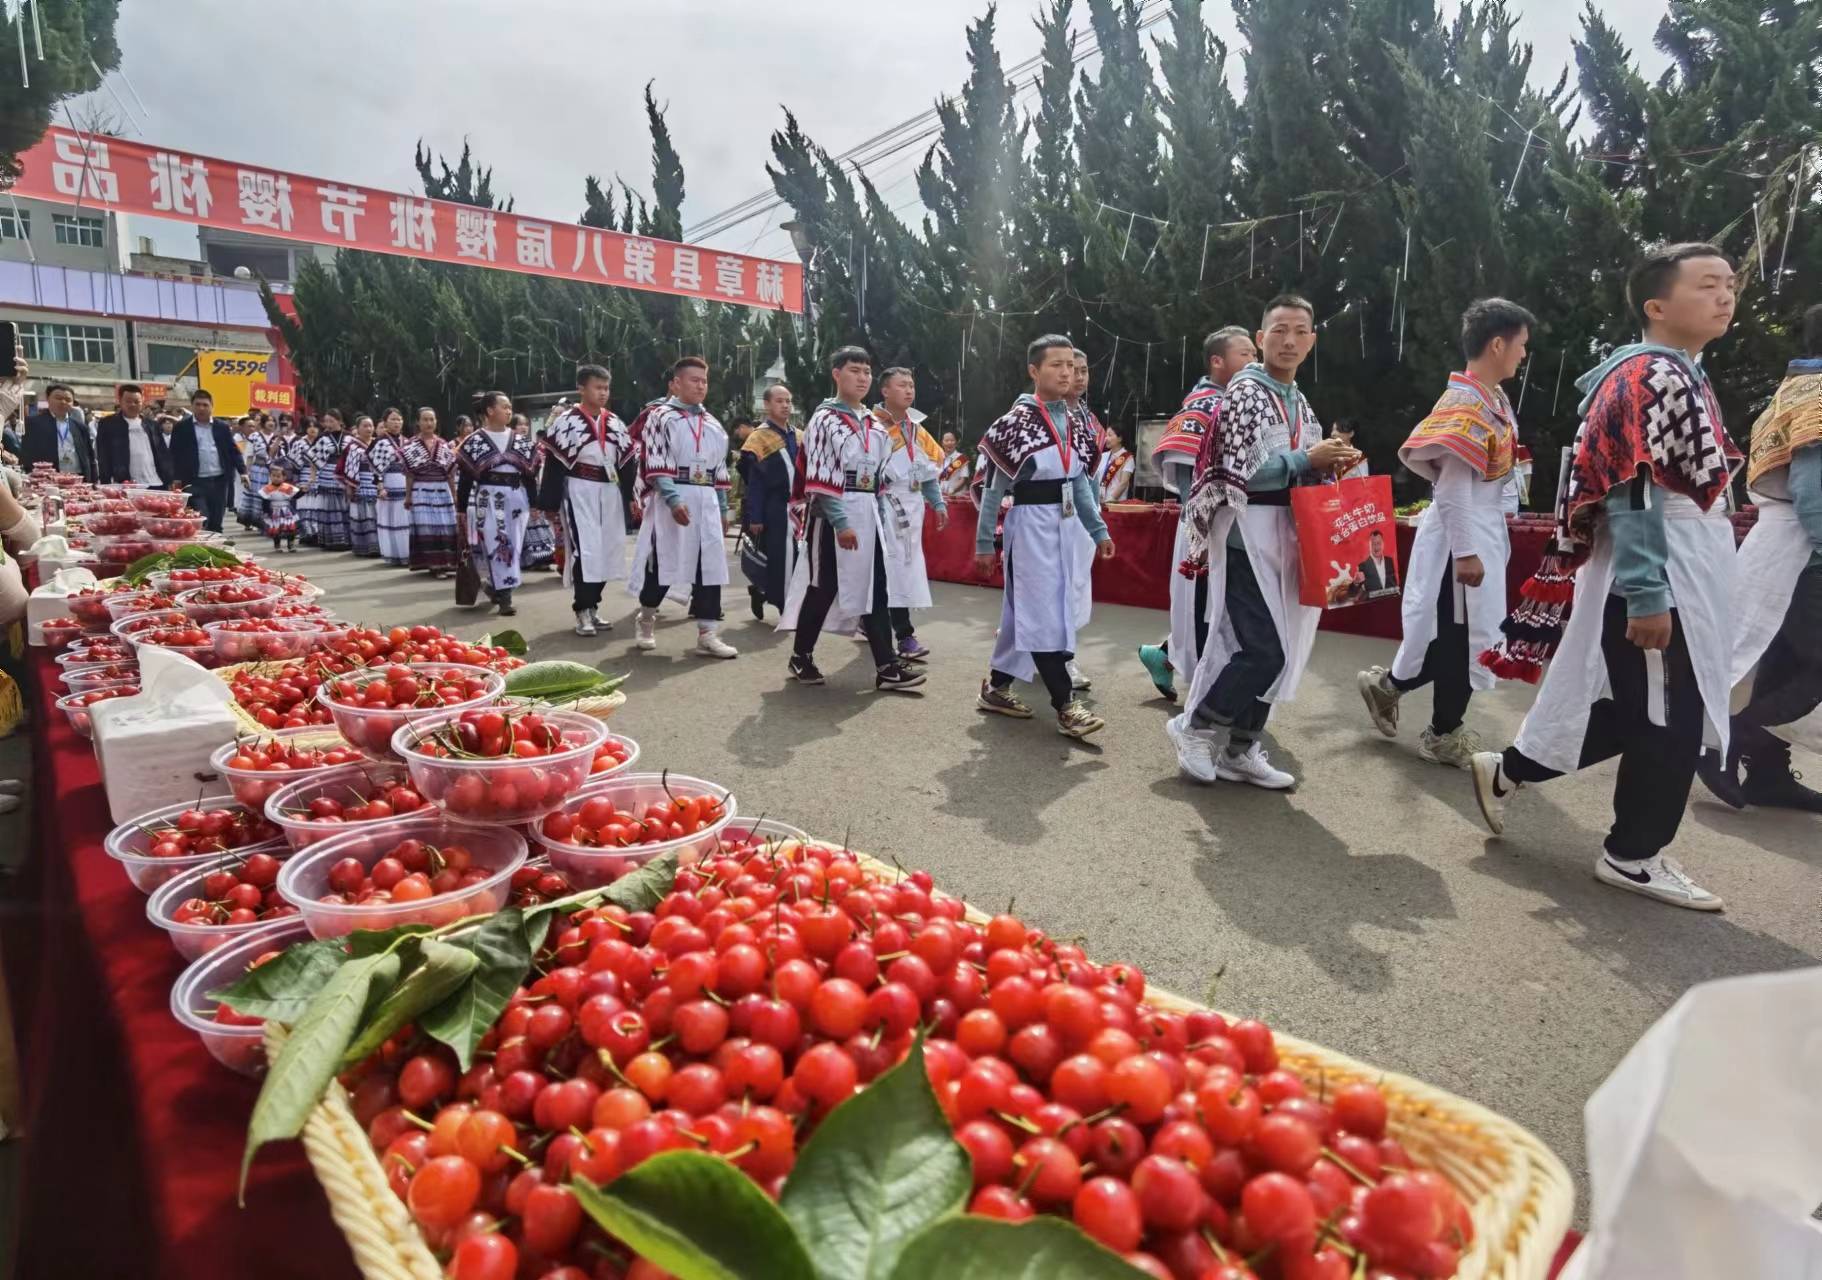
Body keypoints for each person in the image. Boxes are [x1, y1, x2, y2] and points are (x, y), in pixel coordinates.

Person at [1472, 243, 1742, 911]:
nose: (1724, 295)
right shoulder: (1652, 375)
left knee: (1637, 711)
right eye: (1707, 284)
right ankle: (1632, 854)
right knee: (1668, 714)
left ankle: (1509, 770)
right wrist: (1649, 594)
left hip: (1679, 561)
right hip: (1658, 568)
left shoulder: (1681, 372)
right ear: (1657, 305)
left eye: (1729, 284)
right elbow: (1634, 487)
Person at [1168, 296, 1360, 787]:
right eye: (1279, 330)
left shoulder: (1299, 400)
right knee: (1265, 649)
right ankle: (1196, 725)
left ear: (1313, 340)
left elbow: (1300, 467)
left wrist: (1329, 463)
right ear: (1260, 338)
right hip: (1245, 537)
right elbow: (1238, 475)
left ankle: (1242, 747)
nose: (1289, 340)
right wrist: (1305, 461)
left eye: (1300, 330)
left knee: (1284, 647)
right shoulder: (1246, 392)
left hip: (1288, 537)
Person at [1358, 299, 1532, 767]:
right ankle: (1441, 730)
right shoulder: (1467, 403)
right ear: (1497, 343)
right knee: (1461, 637)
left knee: (1468, 635)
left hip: (1481, 529)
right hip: (1463, 533)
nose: (1522, 354)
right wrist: (1467, 552)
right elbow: (1453, 488)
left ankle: (1393, 689)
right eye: (1520, 345)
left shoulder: (1493, 399)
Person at [1697, 301, 1822, 812]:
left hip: (1788, 545)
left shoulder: (1798, 388)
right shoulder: (1817, 397)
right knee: (1800, 662)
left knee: (1778, 659)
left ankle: (1766, 769)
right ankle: (1729, 734)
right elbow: (1813, 490)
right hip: (1806, 549)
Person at [974, 335, 1115, 735]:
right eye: (1057, 365)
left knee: (1029, 612)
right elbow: (992, 490)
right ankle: (1066, 705)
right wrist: (986, 542)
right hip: (1031, 524)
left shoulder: (1075, 422)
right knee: (1043, 613)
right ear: (1034, 371)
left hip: (1066, 523)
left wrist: (1098, 529)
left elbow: (1081, 484)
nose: (1067, 372)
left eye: (1071, 364)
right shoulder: (1013, 424)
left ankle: (997, 689)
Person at [782, 347, 924, 690]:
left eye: (866, 372)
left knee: (874, 588)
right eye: (854, 370)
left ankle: (887, 667)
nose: (862, 378)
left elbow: (882, 471)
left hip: (868, 512)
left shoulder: (874, 423)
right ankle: (801, 656)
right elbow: (819, 475)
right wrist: (841, 522)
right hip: (834, 513)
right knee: (824, 587)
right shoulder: (824, 419)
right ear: (836, 374)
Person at [1138, 327, 1256, 702]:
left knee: (1225, 611)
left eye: (1255, 354)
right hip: (1208, 527)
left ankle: (1165, 657)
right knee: (1206, 609)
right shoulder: (1203, 406)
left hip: (1246, 524)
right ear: (1217, 361)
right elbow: (1190, 479)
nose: (1254, 362)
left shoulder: (1248, 402)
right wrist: (1200, 532)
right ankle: (1207, 701)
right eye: (1245, 355)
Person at [628, 357, 737, 658]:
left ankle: (707, 632)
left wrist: (724, 505)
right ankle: (647, 616)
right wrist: (673, 499)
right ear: (676, 383)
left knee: (709, 565)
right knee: (664, 561)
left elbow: (720, 469)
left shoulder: (713, 424)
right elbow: (656, 461)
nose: (701, 385)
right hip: (674, 495)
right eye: (694, 380)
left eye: (704, 380)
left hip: (706, 499)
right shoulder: (660, 417)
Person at [544, 367, 631, 635]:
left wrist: (630, 499)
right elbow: (554, 465)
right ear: (582, 388)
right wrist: (548, 503)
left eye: (606, 388)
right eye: (597, 387)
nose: (603, 393)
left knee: (608, 549)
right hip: (580, 489)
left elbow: (628, 463)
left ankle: (594, 606)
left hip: (609, 490)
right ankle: (582, 609)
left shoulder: (615, 422)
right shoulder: (566, 422)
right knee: (586, 549)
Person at [872, 368, 947, 662]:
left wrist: (937, 503)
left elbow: (927, 471)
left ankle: (889, 629)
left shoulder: (917, 427)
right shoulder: (872, 426)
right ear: (885, 391)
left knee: (904, 569)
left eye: (911, 385)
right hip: (884, 505)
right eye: (901, 385)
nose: (909, 390)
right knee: (888, 570)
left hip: (912, 508)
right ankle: (903, 635)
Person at [452, 391, 535, 617]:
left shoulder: (520, 441)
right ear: (490, 410)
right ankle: (505, 598)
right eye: (504, 407)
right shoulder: (475, 442)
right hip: (489, 499)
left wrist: (535, 503)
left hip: (517, 498)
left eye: (510, 407)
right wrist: (460, 509)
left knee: (515, 545)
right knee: (498, 543)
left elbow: (529, 475)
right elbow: (467, 479)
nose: (509, 411)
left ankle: (494, 588)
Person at [738, 383, 800, 620]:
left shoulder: (799, 435)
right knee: (780, 558)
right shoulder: (759, 438)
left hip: (799, 507)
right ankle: (786, 607)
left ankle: (762, 592)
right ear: (766, 405)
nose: (785, 405)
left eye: (788, 401)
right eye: (779, 401)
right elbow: (754, 482)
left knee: (797, 557)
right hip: (775, 506)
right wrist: (756, 516)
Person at [1062, 349, 1104, 692]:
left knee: (1076, 582)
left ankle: (1064, 652)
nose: (1078, 376)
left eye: (1083, 369)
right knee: (1051, 585)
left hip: (1083, 513)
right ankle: (1057, 656)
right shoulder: (1038, 414)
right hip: (1049, 514)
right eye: (1069, 369)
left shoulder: (1090, 420)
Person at [169, 389, 245, 533]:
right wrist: (174, 478)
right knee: (201, 519)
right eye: (198, 405)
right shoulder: (182, 427)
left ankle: (216, 550)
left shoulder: (221, 427)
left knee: (216, 521)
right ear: (192, 406)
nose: (201, 408)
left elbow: (232, 450)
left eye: (205, 405)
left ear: (212, 406)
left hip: (219, 481)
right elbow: (174, 453)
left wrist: (243, 471)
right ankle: (202, 549)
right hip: (194, 481)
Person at [403, 406, 459, 577]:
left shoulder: (443, 444)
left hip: (442, 490)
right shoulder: (411, 445)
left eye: (432, 419)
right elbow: (409, 475)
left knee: (446, 526)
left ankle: (448, 563)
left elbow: (450, 473)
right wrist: (408, 496)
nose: (429, 423)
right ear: (418, 422)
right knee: (428, 528)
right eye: (425, 419)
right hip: (421, 491)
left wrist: (454, 495)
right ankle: (434, 565)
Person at [95, 383, 173, 489]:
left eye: (137, 402)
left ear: (142, 402)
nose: (132, 405)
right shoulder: (108, 424)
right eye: (128, 401)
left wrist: (169, 478)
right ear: (120, 401)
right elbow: (103, 455)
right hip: (125, 483)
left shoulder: (152, 425)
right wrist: (105, 483)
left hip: (155, 482)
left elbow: (163, 453)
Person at [20, 382, 96, 481]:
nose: (63, 402)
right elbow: (26, 453)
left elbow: (90, 457)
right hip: (47, 479)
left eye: (68, 400)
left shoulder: (80, 427)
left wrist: (93, 481)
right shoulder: (33, 423)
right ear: (48, 399)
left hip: (77, 479)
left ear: (73, 403)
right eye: (58, 398)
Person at [515, 413, 557, 571]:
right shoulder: (510, 446)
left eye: (525, 424)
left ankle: (542, 557)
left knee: (537, 520)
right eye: (519, 424)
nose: (523, 427)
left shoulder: (532, 446)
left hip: (531, 488)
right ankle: (526, 559)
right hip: (516, 489)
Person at [307, 409, 353, 552]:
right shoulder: (323, 438)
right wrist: (312, 477)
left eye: (332, 421)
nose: (329, 424)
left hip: (345, 473)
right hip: (328, 474)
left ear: (340, 421)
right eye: (326, 421)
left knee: (345, 507)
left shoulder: (349, 437)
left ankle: (346, 539)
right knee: (329, 507)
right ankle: (331, 540)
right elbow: (313, 460)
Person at [371, 408, 411, 567]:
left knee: (405, 520)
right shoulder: (381, 442)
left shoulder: (407, 441)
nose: (397, 423)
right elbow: (376, 468)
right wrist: (380, 487)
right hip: (389, 484)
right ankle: (394, 554)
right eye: (393, 419)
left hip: (405, 484)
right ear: (386, 422)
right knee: (391, 521)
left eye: (399, 419)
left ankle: (407, 554)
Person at [341, 415, 381, 557]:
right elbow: (348, 468)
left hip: (376, 483)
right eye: (365, 426)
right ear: (357, 429)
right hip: (360, 483)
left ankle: (379, 546)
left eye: (370, 426)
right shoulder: (353, 446)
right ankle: (365, 547)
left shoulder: (378, 444)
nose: (369, 429)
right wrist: (349, 487)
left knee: (376, 516)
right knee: (363, 516)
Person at [236, 413, 271, 525]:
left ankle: (264, 523)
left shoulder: (276, 437)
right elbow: (249, 456)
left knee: (267, 498)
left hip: (271, 472)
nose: (271, 423)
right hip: (257, 470)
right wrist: (247, 472)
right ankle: (249, 521)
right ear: (262, 423)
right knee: (254, 497)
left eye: (273, 421)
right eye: (268, 420)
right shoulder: (254, 437)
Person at [260, 461, 301, 553]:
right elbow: (264, 500)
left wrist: (303, 491)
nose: (276, 478)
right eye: (273, 476)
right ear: (270, 476)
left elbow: (295, 496)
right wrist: (266, 511)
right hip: (274, 511)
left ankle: (291, 544)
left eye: (278, 476)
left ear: (284, 477)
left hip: (286, 510)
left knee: (291, 528)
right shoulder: (267, 488)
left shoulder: (287, 487)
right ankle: (277, 545)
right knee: (276, 529)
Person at [288, 421, 319, 543]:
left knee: (316, 506)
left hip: (320, 476)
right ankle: (305, 533)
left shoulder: (322, 442)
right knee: (305, 506)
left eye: (315, 426)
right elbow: (293, 465)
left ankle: (316, 534)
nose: (312, 429)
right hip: (304, 475)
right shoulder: (299, 443)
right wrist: (296, 482)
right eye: (309, 426)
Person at [1093, 425, 1134, 502]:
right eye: (1106, 435)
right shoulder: (1102, 456)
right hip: (1099, 502)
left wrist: (1111, 500)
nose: (1106, 438)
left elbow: (1124, 483)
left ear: (1120, 438)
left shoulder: (1128, 458)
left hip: (1116, 504)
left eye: (1110, 435)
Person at [1357, 529, 1399, 594]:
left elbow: (1394, 584)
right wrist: (1355, 582)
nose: (1376, 547)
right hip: (1374, 603)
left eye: (1378, 543)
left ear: (1383, 544)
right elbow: (1353, 593)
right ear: (1369, 546)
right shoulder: (1362, 566)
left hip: (1390, 600)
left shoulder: (1389, 561)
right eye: (1373, 544)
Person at [938, 429, 971, 499]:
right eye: (946, 440)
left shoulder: (961, 458)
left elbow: (963, 479)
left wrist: (952, 491)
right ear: (942, 443)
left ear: (956, 442)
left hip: (957, 496)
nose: (949, 443)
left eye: (952, 440)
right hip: (941, 496)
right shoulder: (938, 458)